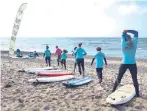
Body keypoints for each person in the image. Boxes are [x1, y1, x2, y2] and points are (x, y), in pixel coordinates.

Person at [112, 30, 140, 97]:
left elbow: (123, 35)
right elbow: (136, 33)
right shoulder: (134, 42)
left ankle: (113, 91)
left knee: (119, 78)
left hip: (124, 63)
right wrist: (128, 30)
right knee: (134, 79)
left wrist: (124, 32)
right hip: (132, 63)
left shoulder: (123, 43)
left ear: (124, 39)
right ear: (131, 38)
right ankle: (137, 94)